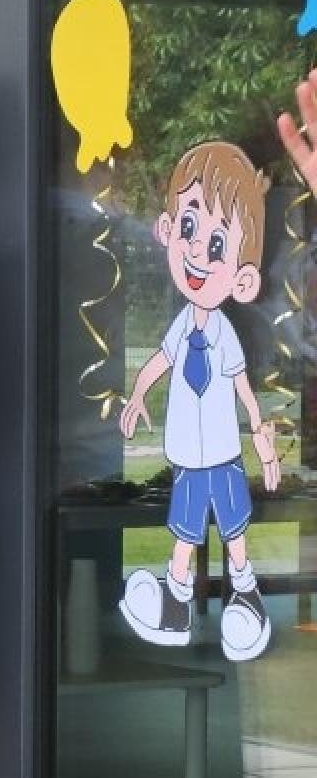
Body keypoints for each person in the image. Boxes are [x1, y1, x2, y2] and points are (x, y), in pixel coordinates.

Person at [116, 141, 277, 662]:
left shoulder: (224, 332)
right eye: (188, 227)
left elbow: (241, 385)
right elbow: (162, 361)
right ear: (167, 230)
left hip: (224, 457)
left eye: (217, 244)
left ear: (243, 279)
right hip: (188, 458)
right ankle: (175, 603)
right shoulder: (182, 324)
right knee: (185, 532)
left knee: (233, 530)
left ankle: (245, 596)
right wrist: (137, 394)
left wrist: (261, 437)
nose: (196, 253)